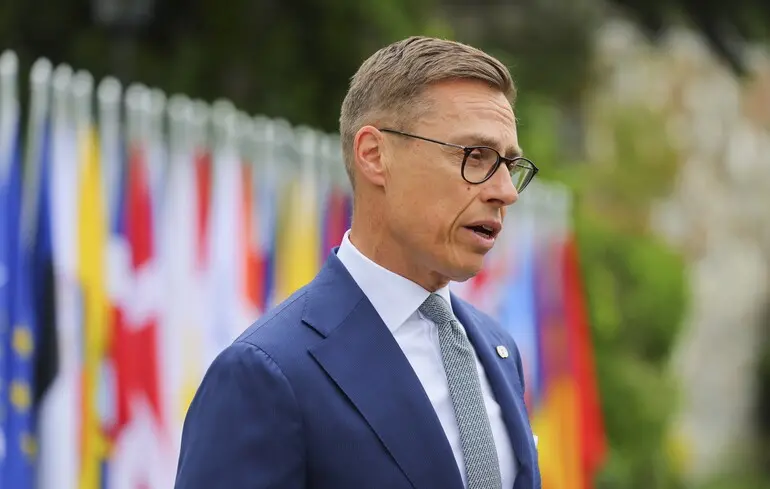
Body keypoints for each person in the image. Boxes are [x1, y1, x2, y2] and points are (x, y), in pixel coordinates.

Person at [174, 36, 541, 489]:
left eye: (509, 165)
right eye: (476, 156)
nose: (504, 191)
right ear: (374, 155)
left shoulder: (497, 347)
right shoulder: (266, 373)